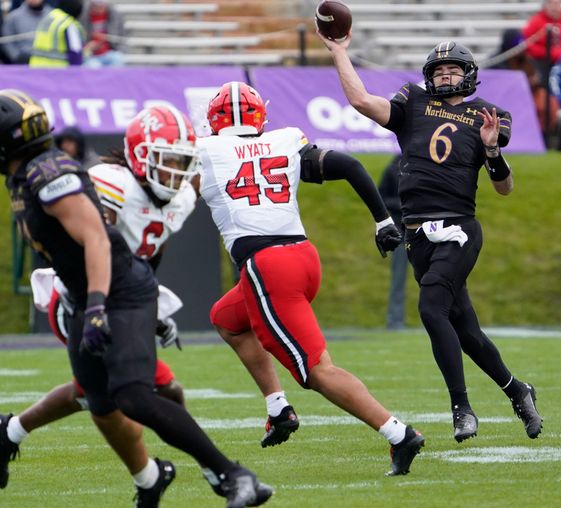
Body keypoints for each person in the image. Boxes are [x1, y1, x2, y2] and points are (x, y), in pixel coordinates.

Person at [0, 89, 272, 507]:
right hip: (87, 293)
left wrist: (119, 305)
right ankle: (151, 477)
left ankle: (231, 476)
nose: (175, 172)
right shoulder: (52, 176)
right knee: (101, 398)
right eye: (168, 159)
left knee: (135, 395)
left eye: (181, 162)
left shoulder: (53, 175)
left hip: (111, 293)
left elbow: (100, 240)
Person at [321, 36, 543, 442]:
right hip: (416, 234)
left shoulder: (488, 116)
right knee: (466, 331)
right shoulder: (414, 103)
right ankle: (518, 390)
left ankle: (462, 408)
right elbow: (362, 102)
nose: (445, 76)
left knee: (430, 308)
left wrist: (493, 152)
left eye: (453, 70)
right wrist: (339, 52)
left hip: (459, 229)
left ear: (469, 75)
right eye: (439, 71)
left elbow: (505, 188)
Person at [197, 81, 425, 476]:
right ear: (261, 117)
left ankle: (398, 434)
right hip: (302, 259)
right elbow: (351, 165)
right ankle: (278, 409)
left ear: (214, 121)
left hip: (267, 267)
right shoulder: (285, 140)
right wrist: (383, 221)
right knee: (226, 319)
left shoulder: (204, 152)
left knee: (317, 372)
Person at [378, 155, 408, 330]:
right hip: (400, 233)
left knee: (434, 280)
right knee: (398, 279)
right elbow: (381, 196)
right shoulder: (393, 168)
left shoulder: (424, 165)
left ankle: (438, 319)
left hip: (425, 232)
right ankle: (395, 320)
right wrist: (402, 205)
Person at [521, 0, 561, 81]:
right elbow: (527, 43)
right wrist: (547, 52)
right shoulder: (536, 21)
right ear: (546, 5)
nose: (555, 7)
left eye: (557, 4)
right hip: (541, 63)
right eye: (551, 3)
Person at [28, 0, 85, 67]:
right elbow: (75, 52)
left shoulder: (49, 17)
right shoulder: (68, 24)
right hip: (58, 71)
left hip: (36, 68)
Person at [1, 0, 52, 64]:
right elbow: (7, 40)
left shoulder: (53, 16)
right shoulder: (14, 17)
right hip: (22, 63)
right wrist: (17, 56)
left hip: (49, 61)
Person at [79, 0, 125, 67]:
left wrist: (119, 49)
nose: (99, 9)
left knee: (118, 60)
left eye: (101, 6)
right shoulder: (83, 17)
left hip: (109, 52)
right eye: (96, 6)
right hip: (91, 55)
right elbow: (79, 43)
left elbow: (122, 37)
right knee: (93, 66)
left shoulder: (114, 16)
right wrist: (87, 47)